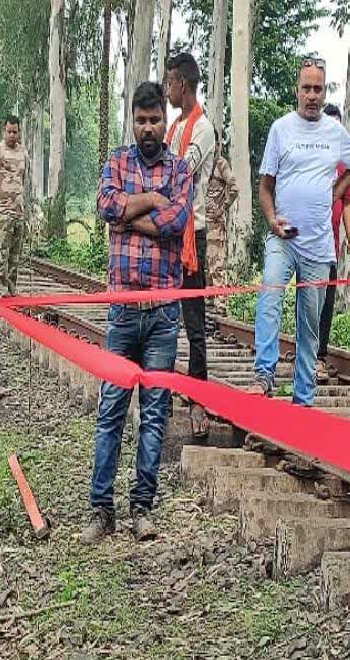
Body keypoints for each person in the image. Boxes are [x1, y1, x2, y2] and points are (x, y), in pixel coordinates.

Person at [81, 82, 192, 544]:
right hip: (123, 312)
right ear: (132, 120)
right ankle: (100, 509)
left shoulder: (181, 169)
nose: (148, 128)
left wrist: (128, 214)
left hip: (163, 311)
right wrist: (149, 200)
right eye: (141, 121)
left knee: (153, 413)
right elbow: (106, 206)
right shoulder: (116, 161)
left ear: (165, 121)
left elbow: (178, 222)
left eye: (155, 120)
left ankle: (142, 507)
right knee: (110, 409)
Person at [249, 59, 350, 405]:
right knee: (270, 295)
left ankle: (303, 398)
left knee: (310, 323)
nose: (312, 95)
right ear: (297, 90)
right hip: (283, 238)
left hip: (319, 246)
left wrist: (337, 191)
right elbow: (265, 186)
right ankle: (263, 375)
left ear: (325, 93)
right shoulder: (281, 129)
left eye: (318, 89)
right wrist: (270, 219)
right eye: (306, 88)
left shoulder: (336, 133)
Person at [164, 52, 218, 436]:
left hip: (190, 234)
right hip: (168, 230)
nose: (167, 89)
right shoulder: (174, 127)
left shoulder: (202, 128)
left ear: (182, 84)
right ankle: (165, 390)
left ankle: (198, 395)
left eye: (169, 83)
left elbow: (179, 171)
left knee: (193, 319)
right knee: (164, 316)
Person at [317, 103, 350, 374]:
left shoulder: (344, 167)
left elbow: (347, 204)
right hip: (307, 246)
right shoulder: (311, 160)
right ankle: (305, 353)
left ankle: (318, 357)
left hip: (331, 248)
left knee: (327, 304)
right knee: (309, 302)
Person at [0, 115, 29, 296]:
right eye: (8, 131)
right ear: (4, 131)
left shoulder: (23, 152)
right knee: (0, 252)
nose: (11, 135)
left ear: (19, 132)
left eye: (15, 132)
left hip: (18, 212)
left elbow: (22, 179)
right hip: (3, 212)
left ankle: (11, 289)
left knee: (15, 255)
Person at [205, 150, 239, 288]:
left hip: (215, 222)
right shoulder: (201, 162)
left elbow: (234, 188)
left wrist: (222, 208)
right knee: (205, 263)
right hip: (199, 221)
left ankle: (220, 301)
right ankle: (208, 298)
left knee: (216, 261)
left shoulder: (220, 164)